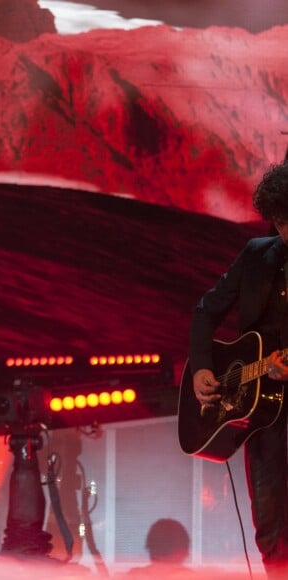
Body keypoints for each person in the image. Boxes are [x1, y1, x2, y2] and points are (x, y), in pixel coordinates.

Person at [188, 162, 288, 579]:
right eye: (280, 222)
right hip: (260, 415)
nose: (286, 233)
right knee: (269, 523)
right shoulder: (256, 255)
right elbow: (205, 313)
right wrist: (201, 369)